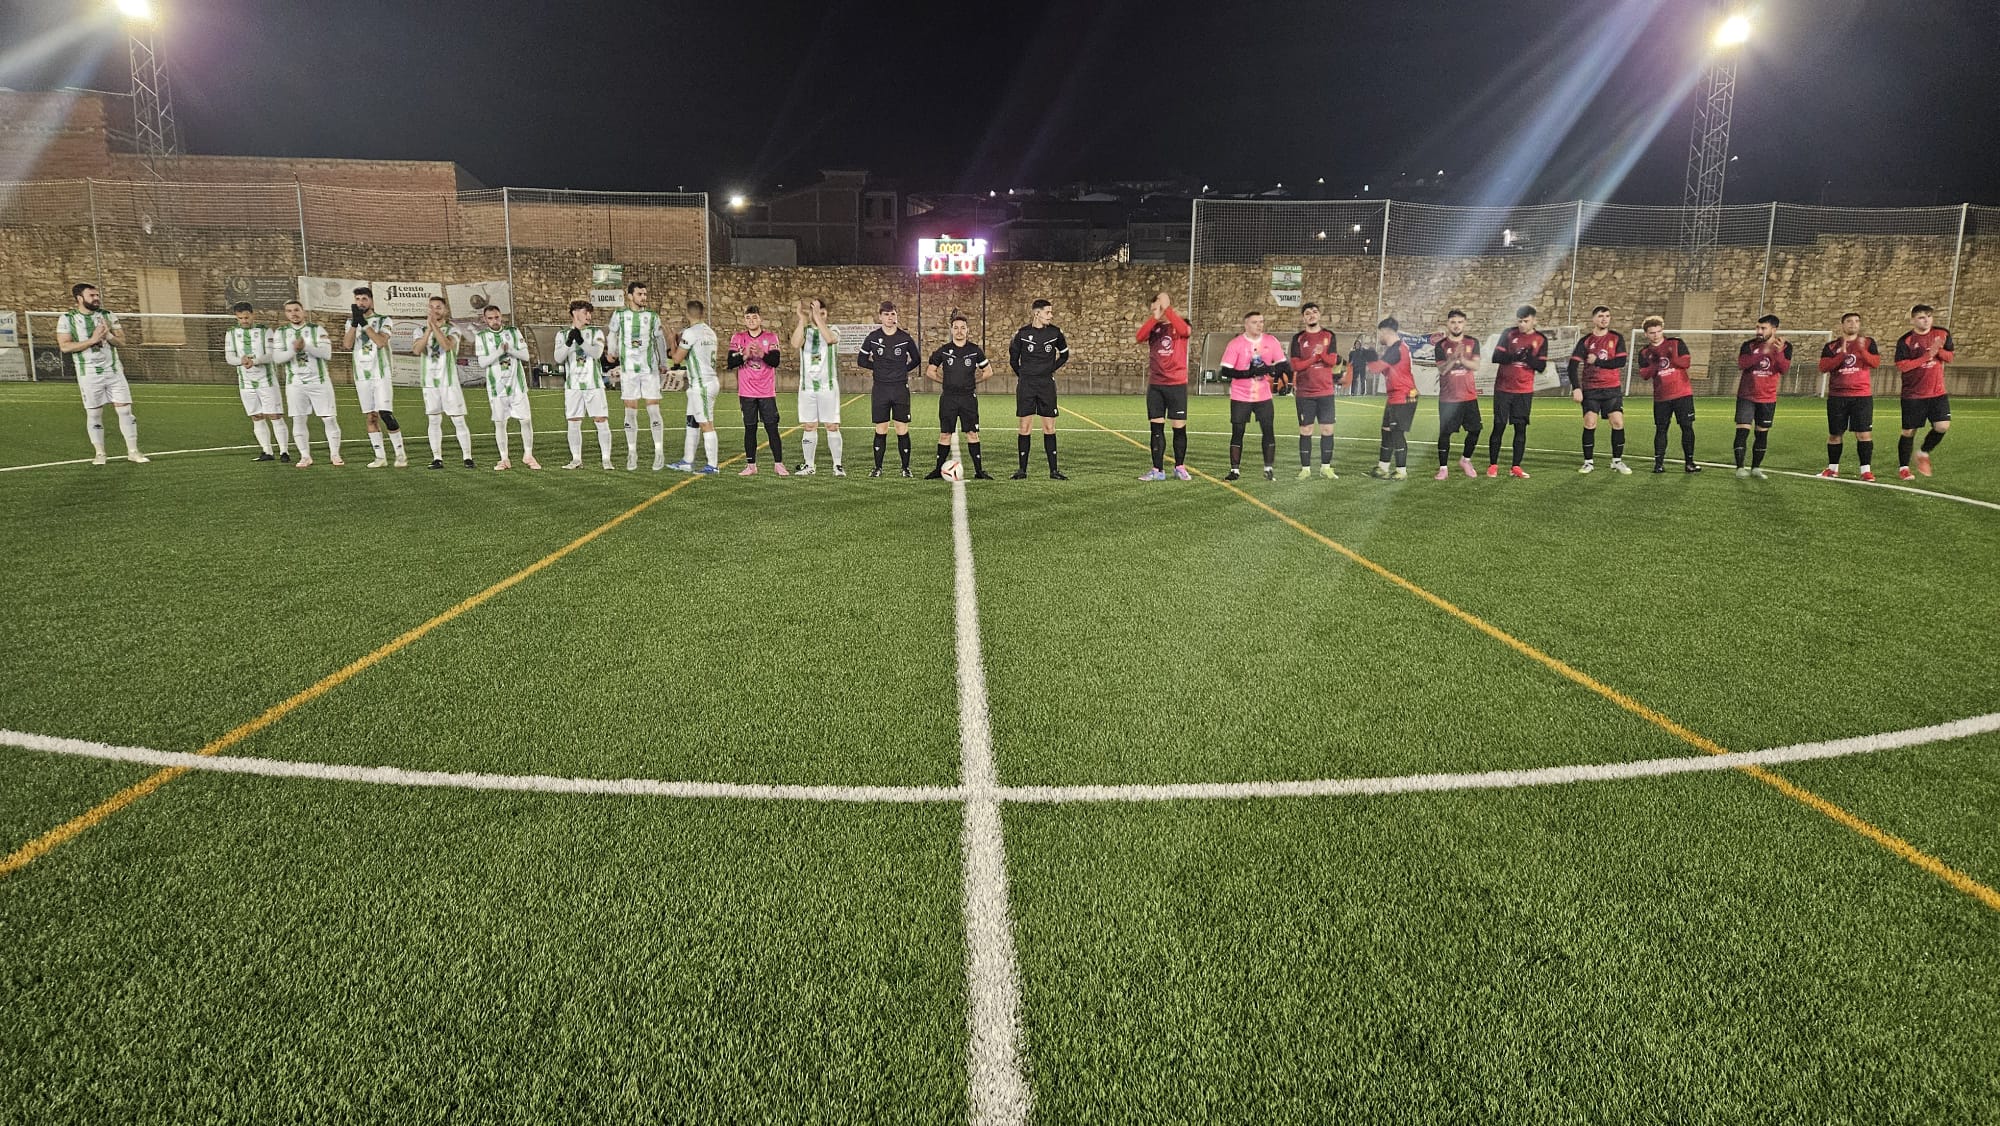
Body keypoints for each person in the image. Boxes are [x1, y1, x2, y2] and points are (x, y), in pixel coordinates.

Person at [54, 282, 146, 465]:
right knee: (94, 414)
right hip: (88, 373)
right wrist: (93, 340)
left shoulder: (108, 315)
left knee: (126, 411)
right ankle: (100, 453)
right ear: (79, 298)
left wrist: (108, 336)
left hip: (113, 371)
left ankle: (133, 451)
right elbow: (65, 346)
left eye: (97, 295)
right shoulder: (66, 318)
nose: (96, 298)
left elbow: (122, 342)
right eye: (92, 296)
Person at [1217, 310, 1290, 481]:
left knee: (1268, 430)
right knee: (1238, 431)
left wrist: (1269, 370)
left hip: (1263, 396)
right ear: (1246, 324)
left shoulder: (1271, 341)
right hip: (1240, 395)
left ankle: (1268, 468)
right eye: (1255, 322)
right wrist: (1248, 373)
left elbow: (1283, 365)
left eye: (1261, 322)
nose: (1259, 325)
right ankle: (1234, 470)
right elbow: (1225, 370)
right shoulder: (1235, 344)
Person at [606, 280, 669, 471]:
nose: (644, 297)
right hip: (629, 370)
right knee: (630, 411)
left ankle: (659, 452)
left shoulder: (652, 316)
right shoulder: (619, 315)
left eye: (645, 294)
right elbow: (612, 334)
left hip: (649, 370)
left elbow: (659, 340)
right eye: (640, 294)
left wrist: (663, 362)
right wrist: (612, 350)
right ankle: (632, 452)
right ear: (630, 295)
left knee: (653, 411)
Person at [923, 311, 993, 479]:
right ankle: (938, 470)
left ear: (967, 330)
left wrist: (973, 382)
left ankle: (979, 471)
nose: (959, 331)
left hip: (968, 398)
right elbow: (930, 371)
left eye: (963, 328)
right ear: (951, 330)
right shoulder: (944, 351)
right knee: (945, 434)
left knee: (972, 433)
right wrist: (945, 382)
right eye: (956, 328)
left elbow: (988, 371)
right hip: (949, 398)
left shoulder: (975, 350)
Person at [272, 298, 340, 468]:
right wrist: (294, 349)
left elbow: (327, 354)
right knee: (299, 419)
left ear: (303, 311)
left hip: (319, 381)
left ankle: (335, 454)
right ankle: (305, 456)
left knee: (329, 418)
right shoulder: (281, 332)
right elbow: (278, 358)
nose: (293, 314)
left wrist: (306, 347)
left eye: (296, 310)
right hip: (295, 383)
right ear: (285, 314)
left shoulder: (316, 329)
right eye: (289, 311)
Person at [343, 286, 405, 468]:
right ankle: (380, 457)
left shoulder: (384, 320)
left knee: (385, 414)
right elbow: (347, 345)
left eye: (364, 299)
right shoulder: (351, 322)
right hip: (362, 375)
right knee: (371, 416)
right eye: (358, 300)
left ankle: (400, 454)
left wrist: (363, 323)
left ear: (371, 300)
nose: (360, 303)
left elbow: (380, 342)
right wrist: (355, 323)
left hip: (380, 373)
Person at [857, 301, 921, 477]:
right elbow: (861, 361)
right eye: (886, 314)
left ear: (896, 316)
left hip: (900, 388)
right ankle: (877, 468)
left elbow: (916, 359)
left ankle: (905, 468)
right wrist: (877, 368)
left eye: (892, 314)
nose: (890, 317)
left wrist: (903, 370)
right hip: (881, 389)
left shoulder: (905, 338)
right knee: (881, 428)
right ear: (880, 317)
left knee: (902, 428)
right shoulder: (872, 337)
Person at [1566, 305, 1631, 475]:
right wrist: (1576, 388)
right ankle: (1588, 462)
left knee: (1617, 422)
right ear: (1594, 319)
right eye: (1601, 316)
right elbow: (1572, 366)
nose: (1605, 319)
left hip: (1611, 389)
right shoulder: (1586, 340)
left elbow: (1620, 362)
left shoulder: (1617, 338)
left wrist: (1597, 362)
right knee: (1590, 422)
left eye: (1607, 316)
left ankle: (1617, 461)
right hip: (1591, 389)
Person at [1009, 298, 1070, 479]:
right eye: (1047, 312)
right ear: (1037, 313)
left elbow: (1065, 354)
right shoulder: (1022, 334)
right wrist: (1024, 375)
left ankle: (1053, 470)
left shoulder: (1055, 333)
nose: (1050, 315)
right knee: (1025, 426)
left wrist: (1051, 368)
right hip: (1027, 385)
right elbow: (1013, 359)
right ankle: (1022, 470)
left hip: (1046, 385)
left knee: (1049, 427)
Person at [1136, 290, 1193, 480]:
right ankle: (1157, 470)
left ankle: (1180, 466)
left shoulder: (1181, 325)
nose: (1156, 310)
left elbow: (1185, 331)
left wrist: (1167, 309)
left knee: (1179, 428)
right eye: (1154, 307)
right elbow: (1139, 336)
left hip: (1176, 385)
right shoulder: (1153, 328)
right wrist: (1155, 317)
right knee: (1156, 429)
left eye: (1158, 306)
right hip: (1156, 385)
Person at [413, 295, 474, 469]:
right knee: (433, 420)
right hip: (429, 382)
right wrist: (428, 330)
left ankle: (467, 457)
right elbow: (417, 350)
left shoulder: (453, 330)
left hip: (449, 382)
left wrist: (435, 328)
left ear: (445, 310)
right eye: (431, 307)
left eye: (438, 307)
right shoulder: (419, 330)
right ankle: (437, 458)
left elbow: (447, 346)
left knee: (458, 419)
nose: (434, 310)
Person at [1486, 305, 1547, 478]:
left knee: (1520, 428)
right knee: (1499, 426)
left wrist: (1528, 358)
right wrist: (1516, 356)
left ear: (1534, 320)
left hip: (1524, 390)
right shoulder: (1508, 334)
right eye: (1519, 321)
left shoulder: (1541, 339)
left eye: (1526, 321)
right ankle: (1493, 465)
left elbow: (1541, 366)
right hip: (1503, 389)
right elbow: (1496, 357)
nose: (1522, 324)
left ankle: (1516, 466)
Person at [1894, 303, 1953, 479]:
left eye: (1928, 316)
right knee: (1909, 431)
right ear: (1913, 320)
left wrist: (1938, 350)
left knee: (1942, 426)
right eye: (1921, 317)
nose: (1926, 320)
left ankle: (1923, 453)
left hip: (1937, 392)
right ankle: (1903, 468)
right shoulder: (1905, 340)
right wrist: (1926, 356)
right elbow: (1903, 366)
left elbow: (1950, 357)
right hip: (1913, 394)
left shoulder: (1942, 334)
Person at [553, 300, 614, 470]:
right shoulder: (562, 334)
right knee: (573, 422)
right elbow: (558, 358)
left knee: (601, 420)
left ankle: (606, 459)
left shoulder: (596, 332)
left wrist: (580, 341)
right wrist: (568, 343)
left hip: (593, 384)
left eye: (589, 312)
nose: (589, 315)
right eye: (585, 312)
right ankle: (576, 459)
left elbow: (596, 353)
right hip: (573, 386)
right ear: (574, 313)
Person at [1818, 312, 1880, 480]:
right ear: (1842, 325)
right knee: (1835, 434)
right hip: (1838, 396)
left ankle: (1865, 471)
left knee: (1863, 434)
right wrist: (1842, 355)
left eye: (1857, 321)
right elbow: (1823, 367)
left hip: (1861, 396)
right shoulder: (1831, 346)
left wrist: (1862, 351)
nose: (1853, 324)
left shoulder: (1867, 342)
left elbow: (1875, 363)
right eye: (1849, 321)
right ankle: (1832, 469)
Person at [475, 305, 537, 470]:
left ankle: (528, 455)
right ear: (484, 319)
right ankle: (504, 459)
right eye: (490, 318)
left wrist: (510, 349)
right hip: (497, 387)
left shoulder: (513, 332)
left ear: (501, 316)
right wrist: (498, 352)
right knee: (500, 423)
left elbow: (525, 356)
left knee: (525, 420)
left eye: (496, 317)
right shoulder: (481, 336)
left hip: (517, 385)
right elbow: (482, 362)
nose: (494, 321)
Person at [224, 301, 287, 462]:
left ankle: (284, 452)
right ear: (236, 318)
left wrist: (256, 361)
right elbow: (229, 357)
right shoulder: (231, 333)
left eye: (246, 317)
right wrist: (240, 360)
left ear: (252, 315)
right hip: (245, 383)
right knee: (257, 416)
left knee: (274, 415)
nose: (244, 321)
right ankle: (267, 451)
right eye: (240, 318)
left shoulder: (265, 331)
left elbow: (271, 355)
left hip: (266, 380)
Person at [1636, 316, 1699, 474]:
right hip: (1661, 397)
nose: (1656, 335)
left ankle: (1689, 463)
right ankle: (1658, 464)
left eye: (1658, 331)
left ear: (1662, 330)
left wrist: (1672, 357)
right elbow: (1644, 374)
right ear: (1646, 334)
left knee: (1687, 427)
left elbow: (1686, 363)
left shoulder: (1676, 343)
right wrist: (1655, 364)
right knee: (1661, 429)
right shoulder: (1644, 352)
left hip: (1682, 394)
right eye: (1652, 333)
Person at [1288, 301, 1343, 480]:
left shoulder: (1329, 335)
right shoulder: (1298, 338)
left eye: (1314, 312)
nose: (1311, 315)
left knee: (1327, 430)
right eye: (1307, 313)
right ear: (1303, 317)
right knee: (1306, 431)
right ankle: (1305, 468)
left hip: (1326, 392)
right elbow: (1296, 364)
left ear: (1319, 315)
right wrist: (1315, 357)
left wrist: (1322, 355)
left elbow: (1333, 361)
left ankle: (1325, 467)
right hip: (1305, 393)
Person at [729, 306, 787, 476]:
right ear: (744, 320)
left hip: (766, 392)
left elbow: (775, 361)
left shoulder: (770, 337)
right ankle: (751, 465)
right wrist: (745, 355)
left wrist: (762, 353)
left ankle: (778, 464)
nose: (751, 321)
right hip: (746, 392)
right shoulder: (738, 338)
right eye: (748, 318)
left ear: (760, 319)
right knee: (750, 428)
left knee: (772, 427)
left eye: (754, 317)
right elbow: (730, 362)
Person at [1733, 314, 1790, 479]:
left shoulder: (1785, 347)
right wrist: (1762, 351)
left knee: (1761, 433)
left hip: (1768, 397)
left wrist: (1778, 352)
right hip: (1747, 395)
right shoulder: (1748, 345)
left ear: (1774, 329)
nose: (1758, 331)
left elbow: (1783, 368)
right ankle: (1740, 467)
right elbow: (1742, 364)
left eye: (1763, 328)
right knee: (1742, 431)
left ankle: (1756, 468)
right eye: (1757, 327)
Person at [668, 299, 722, 474]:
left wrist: (671, 340)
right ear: (702, 313)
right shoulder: (710, 332)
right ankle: (687, 460)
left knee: (706, 423)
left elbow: (676, 358)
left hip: (703, 384)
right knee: (692, 421)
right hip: (701, 383)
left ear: (687, 313)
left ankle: (713, 465)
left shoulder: (690, 333)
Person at [791, 297, 844, 476]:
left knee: (831, 425)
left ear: (826, 314)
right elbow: (795, 344)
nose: (818, 315)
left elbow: (830, 339)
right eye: (816, 312)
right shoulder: (805, 331)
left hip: (827, 387)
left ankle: (837, 465)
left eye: (822, 312)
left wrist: (817, 316)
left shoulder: (833, 330)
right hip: (807, 387)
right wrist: (802, 318)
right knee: (809, 426)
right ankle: (809, 465)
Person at [1429, 309, 1482, 479]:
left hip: (1468, 396)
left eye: (1460, 322)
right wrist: (1453, 359)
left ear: (1465, 323)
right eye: (1453, 322)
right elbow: (1442, 370)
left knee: (1475, 430)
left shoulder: (1473, 342)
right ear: (1448, 324)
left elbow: (1475, 366)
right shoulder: (1441, 345)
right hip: (1448, 398)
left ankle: (1465, 460)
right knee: (1445, 433)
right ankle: (1443, 468)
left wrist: (1462, 359)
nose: (1456, 325)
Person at [1366, 318, 1417, 479]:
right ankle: (1383, 467)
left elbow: (1375, 369)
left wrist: (1368, 357)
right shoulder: (1396, 348)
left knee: (1396, 433)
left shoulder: (1397, 349)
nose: (1379, 336)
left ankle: (1401, 471)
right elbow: (1385, 370)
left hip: (1404, 396)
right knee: (1386, 431)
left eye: (1380, 332)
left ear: (1386, 331)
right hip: (1396, 395)